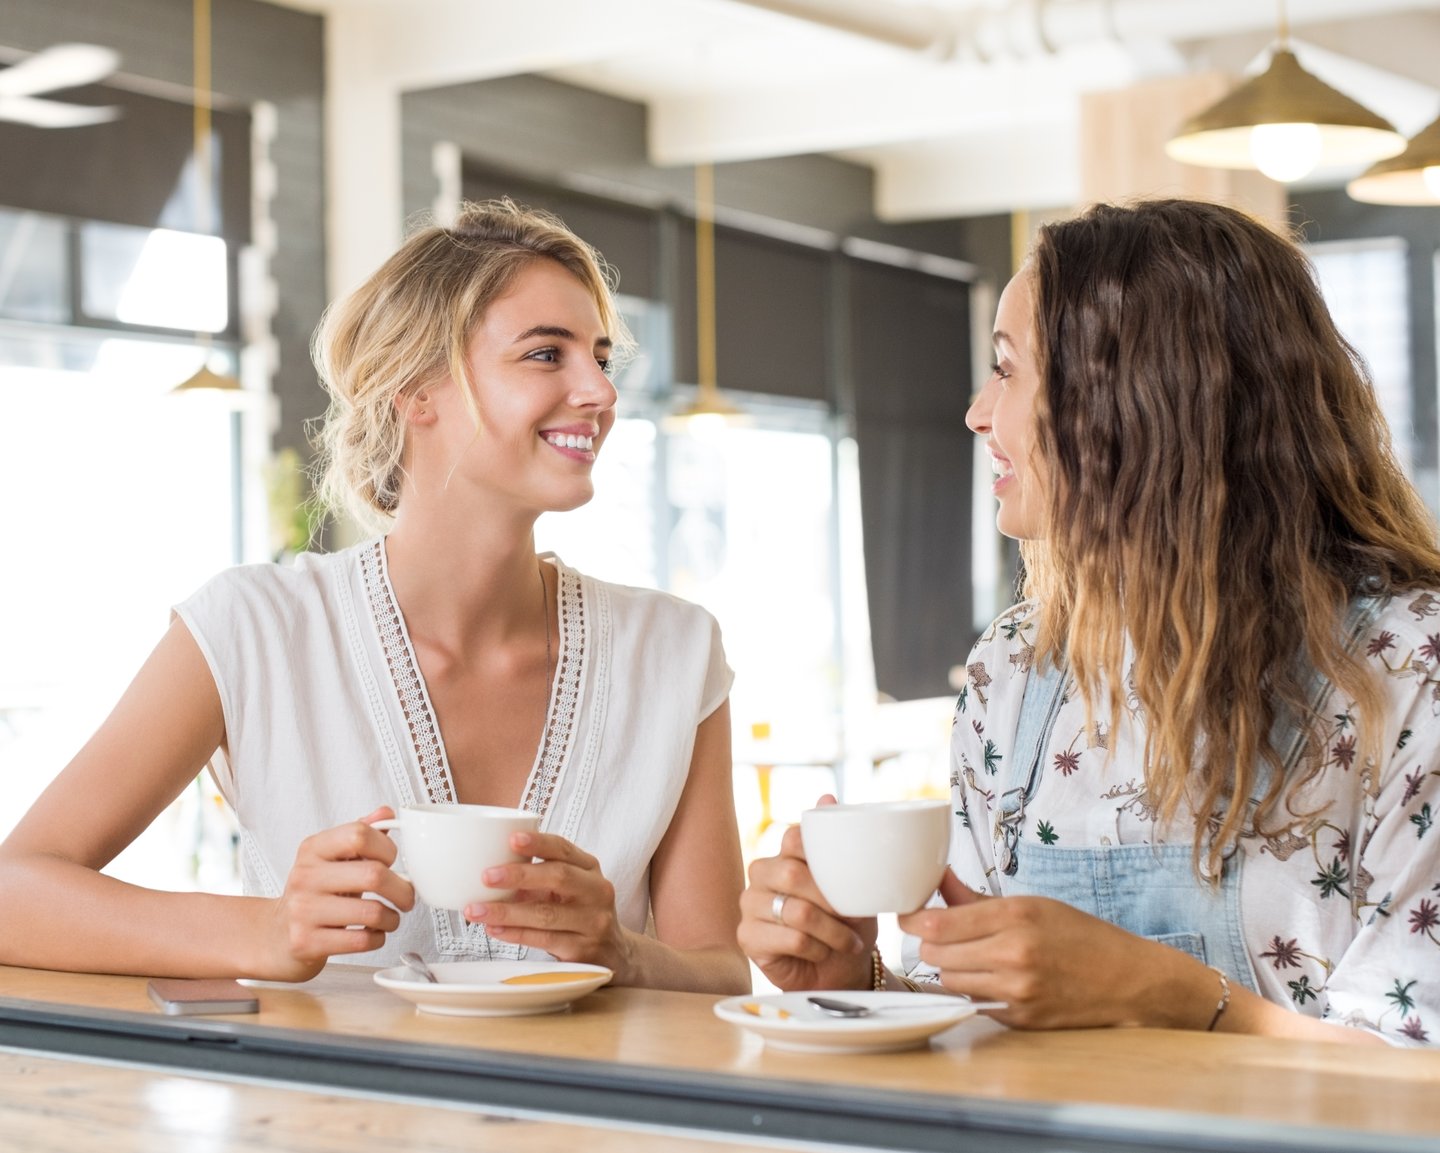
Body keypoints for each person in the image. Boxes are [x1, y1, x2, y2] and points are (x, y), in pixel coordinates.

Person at [0, 200, 749, 994]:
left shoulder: (675, 653)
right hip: (322, 1118)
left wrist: (624, 953)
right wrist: (266, 928)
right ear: (416, 391)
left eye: (600, 357)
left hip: (600, 1120)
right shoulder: (253, 630)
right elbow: (16, 890)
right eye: (545, 355)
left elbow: (722, 972)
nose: (600, 391)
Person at [739, 198, 1440, 1045]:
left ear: (1138, 399)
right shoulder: (1014, 668)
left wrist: (1167, 993)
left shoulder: (1406, 672)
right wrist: (862, 979)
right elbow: (975, 1014)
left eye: (1008, 368)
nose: (976, 412)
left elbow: (1416, 1078)